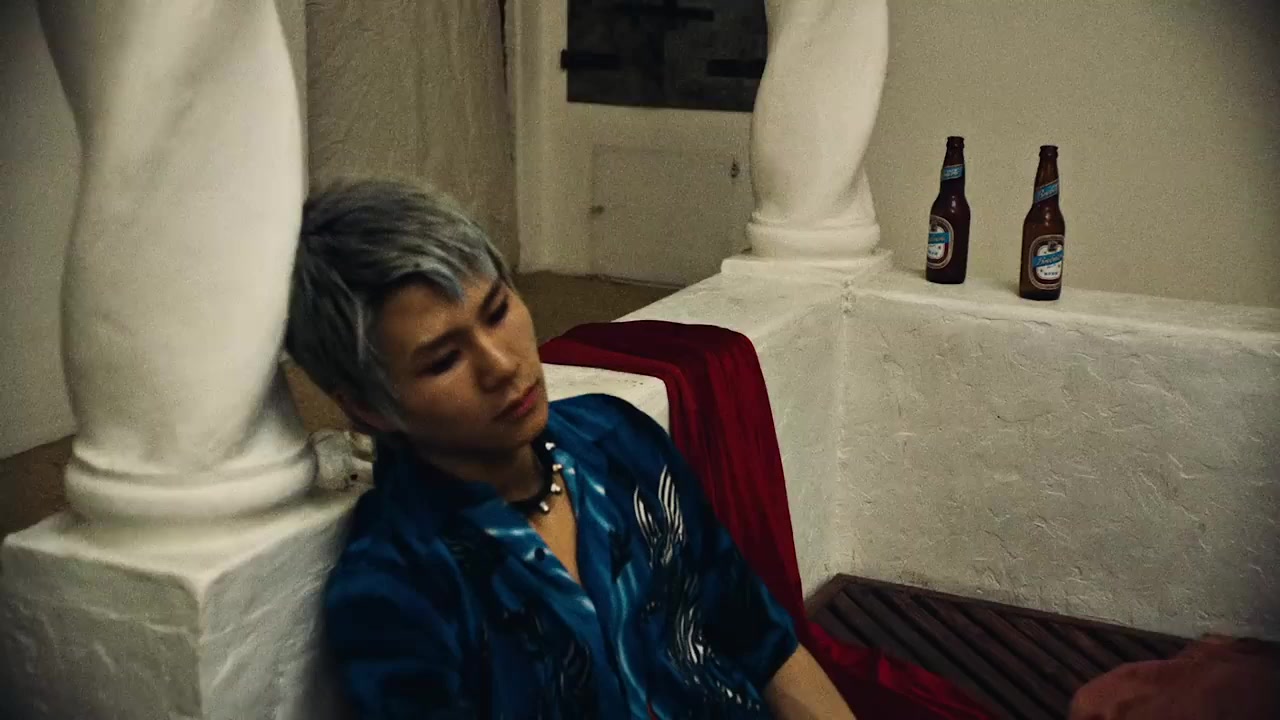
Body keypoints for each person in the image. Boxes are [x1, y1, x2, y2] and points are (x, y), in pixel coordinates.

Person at [285, 178, 855, 719]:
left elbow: (766, 645)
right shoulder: (397, 591)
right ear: (368, 407)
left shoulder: (618, 439)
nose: (502, 364)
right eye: (444, 360)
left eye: (498, 311)